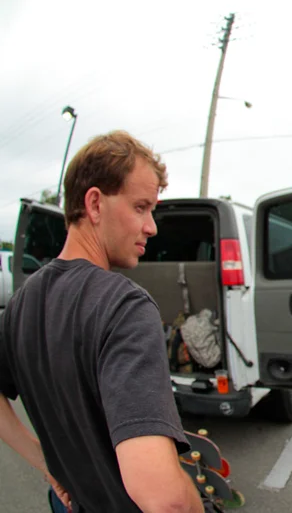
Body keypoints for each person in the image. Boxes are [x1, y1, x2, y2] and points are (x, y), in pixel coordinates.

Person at [0, 131, 205, 512]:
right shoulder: (124, 306)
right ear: (95, 204)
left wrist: (46, 462)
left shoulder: (21, 303)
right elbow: (162, 498)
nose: (152, 227)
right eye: (141, 207)